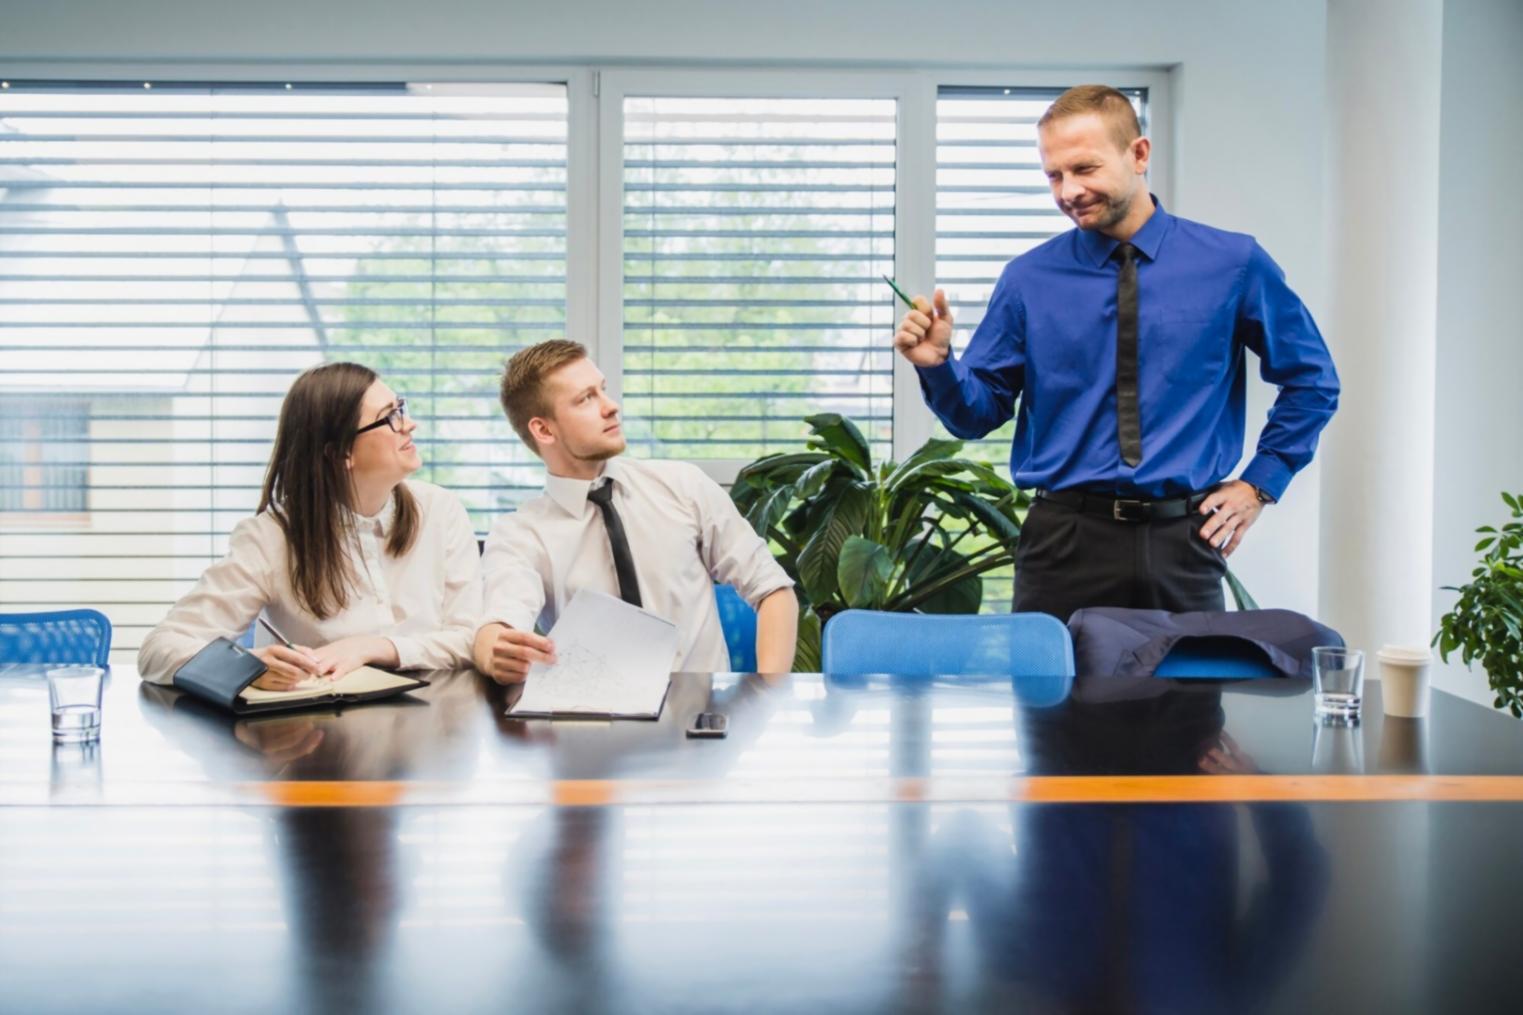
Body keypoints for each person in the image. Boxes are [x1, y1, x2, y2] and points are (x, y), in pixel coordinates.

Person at [894, 84, 1339, 622]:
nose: (1069, 191)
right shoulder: (1027, 279)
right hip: (1062, 545)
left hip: (1184, 541)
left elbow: (1312, 381)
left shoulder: (1234, 263)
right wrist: (939, 367)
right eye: (1054, 175)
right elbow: (977, 414)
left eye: (1085, 168)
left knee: (1188, 706)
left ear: (1140, 154)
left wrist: (1259, 484)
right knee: (1052, 706)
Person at [137, 362, 481, 687]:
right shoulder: (271, 538)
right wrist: (247, 667)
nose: (408, 424)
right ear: (341, 453)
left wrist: (373, 647)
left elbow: (472, 638)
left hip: (434, 730)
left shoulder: (441, 510)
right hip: (321, 737)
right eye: (388, 417)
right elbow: (159, 651)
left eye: (400, 408)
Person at [473, 340, 797, 682]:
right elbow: (499, 624)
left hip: (700, 719)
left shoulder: (682, 486)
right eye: (586, 399)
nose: (611, 407)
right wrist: (491, 647)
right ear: (543, 429)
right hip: (594, 725)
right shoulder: (521, 533)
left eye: (603, 390)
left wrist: (767, 695)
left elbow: (772, 589)